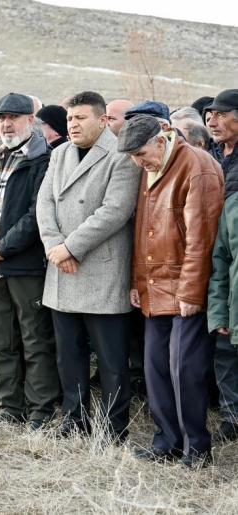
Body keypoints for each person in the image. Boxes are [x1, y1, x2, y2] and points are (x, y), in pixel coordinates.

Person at [121, 115, 224, 468]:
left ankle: (197, 448)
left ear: (162, 138)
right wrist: (137, 280)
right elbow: (141, 229)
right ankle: (166, 440)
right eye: (132, 157)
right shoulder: (148, 168)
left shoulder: (198, 166)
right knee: (156, 369)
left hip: (185, 287)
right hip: (154, 285)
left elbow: (202, 239)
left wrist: (191, 294)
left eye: (141, 153)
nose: (138, 162)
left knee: (185, 371)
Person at [36, 91, 140, 440]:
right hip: (61, 269)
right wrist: (54, 247)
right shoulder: (61, 153)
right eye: (69, 119)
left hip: (101, 270)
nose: (73, 124)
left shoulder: (121, 155)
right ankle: (74, 421)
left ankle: (113, 429)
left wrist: (70, 248)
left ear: (103, 120)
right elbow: (44, 203)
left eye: (81, 118)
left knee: (111, 362)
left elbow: (114, 211)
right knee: (69, 356)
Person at [0, 93, 58, 429]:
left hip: (23, 265)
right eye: (1, 117)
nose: (6, 124)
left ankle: (40, 410)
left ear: (31, 121)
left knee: (34, 340)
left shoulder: (43, 160)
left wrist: (3, 248)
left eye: (14, 118)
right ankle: (8, 408)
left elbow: (37, 215)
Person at [204, 89, 238, 441]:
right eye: (209, 114)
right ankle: (231, 416)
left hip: (234, 249)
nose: (212, 120)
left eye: (221, 114)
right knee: (222, 341)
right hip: (214, 255)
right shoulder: (209, 156)